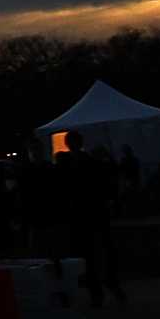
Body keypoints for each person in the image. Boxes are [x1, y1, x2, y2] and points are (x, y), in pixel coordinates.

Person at [56, 132, 126, 308]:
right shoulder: (89, 163)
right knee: (99, 253)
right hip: (91, 213)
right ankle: (105, 286)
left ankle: (100, 289)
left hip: (84, 214)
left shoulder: (69, 164)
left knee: (93, 254)